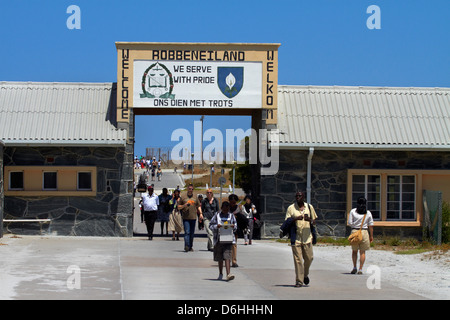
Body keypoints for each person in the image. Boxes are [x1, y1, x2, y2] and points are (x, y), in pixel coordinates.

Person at [285, 191, 317, 287]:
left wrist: (310, 220)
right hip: (296, 238)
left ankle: (305, 274)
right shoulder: (291, 208)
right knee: (298, 260)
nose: (297, 197)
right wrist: (295, 218)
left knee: (309, 258)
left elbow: (315, 221)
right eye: (296, 196)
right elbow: (287, 222)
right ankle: (299, 281)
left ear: (303, 197)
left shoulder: (309, 207)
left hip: (307, 237)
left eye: (299, 196)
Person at [209, 201, 237, 281]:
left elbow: (235, 226)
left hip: (228, 239)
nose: (226, 211)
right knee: (220, 257)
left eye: (227, 210)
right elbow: (210, 225)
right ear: (221, 209)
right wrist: (216, 227)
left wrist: (232, 227)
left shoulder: (231, 216)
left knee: (227, 256)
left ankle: (228, 274)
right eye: (224, 210)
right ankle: (221, 273)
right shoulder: (217, 216)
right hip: (218, 239)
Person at [347, 197, 374, 274]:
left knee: (354, 251)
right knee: (362, 252)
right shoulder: (368, 213)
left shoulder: (353, 211)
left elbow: (350, 223)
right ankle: (360, 269)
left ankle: (354, 266)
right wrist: (371, 235)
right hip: (364, 231)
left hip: (355, 231)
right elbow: (371, 225)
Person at [178, 184, 203, 252]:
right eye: (189, 189)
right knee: (187, 232)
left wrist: (200, 213)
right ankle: (186, 245)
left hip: (193, 217)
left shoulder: (195, 197)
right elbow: (178, 206)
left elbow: (198, 206)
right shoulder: (183, 196)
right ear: (187, 189)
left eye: (192, 189)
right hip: (185, 217)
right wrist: (184, 205)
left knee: (192, 233)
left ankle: (190, 246)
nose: (190, 190)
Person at [228, 194, 241, 267]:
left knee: (234, 245)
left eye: (234, 202)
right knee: (227, 245)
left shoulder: (238, 209)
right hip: (227, 229)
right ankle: (227, 260)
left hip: (235, 229)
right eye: (232, 202)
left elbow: (242, 219)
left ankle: (234, 261)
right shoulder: (226, 208)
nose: (233, 204)